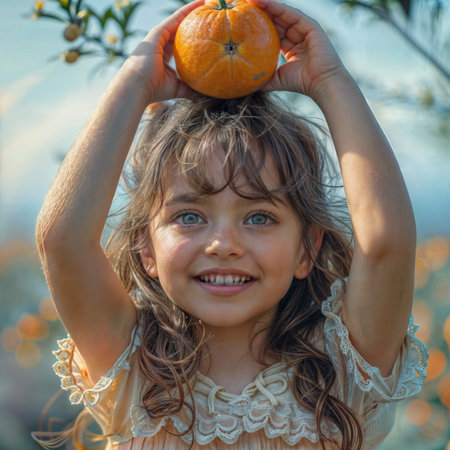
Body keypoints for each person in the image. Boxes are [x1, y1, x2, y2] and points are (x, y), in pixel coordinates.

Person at [33, 0, 428, 448]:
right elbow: (62, 242)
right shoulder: (134, 371)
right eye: (189, 217)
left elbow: (386, 243)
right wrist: (136, 81)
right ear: (146, 248)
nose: (223, 244)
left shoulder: (344, 368)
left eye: (259, 217)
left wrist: (329, 81)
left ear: (307, 249)